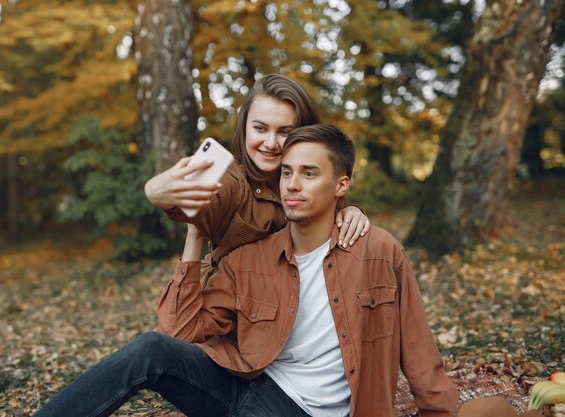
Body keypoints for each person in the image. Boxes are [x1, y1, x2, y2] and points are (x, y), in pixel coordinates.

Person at [33, 124, 459, 417]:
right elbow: (178, 333)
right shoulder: (251, 258)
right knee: (149, 349)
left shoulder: (378, 250)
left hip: (298, 409)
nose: (292, 184)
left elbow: (419, 351)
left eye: (309, 174)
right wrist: (195, 231)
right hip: (240, 384)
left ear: (341, 185)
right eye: (287, 173)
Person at [144, 74, 370, 285]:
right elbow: (198, 207)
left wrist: (350, 213)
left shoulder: (316, 182)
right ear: (244, 125)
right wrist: (156, 191)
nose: (270, 143)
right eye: (260, 128)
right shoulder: (231, 180)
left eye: (284, 132)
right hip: (229, 310)